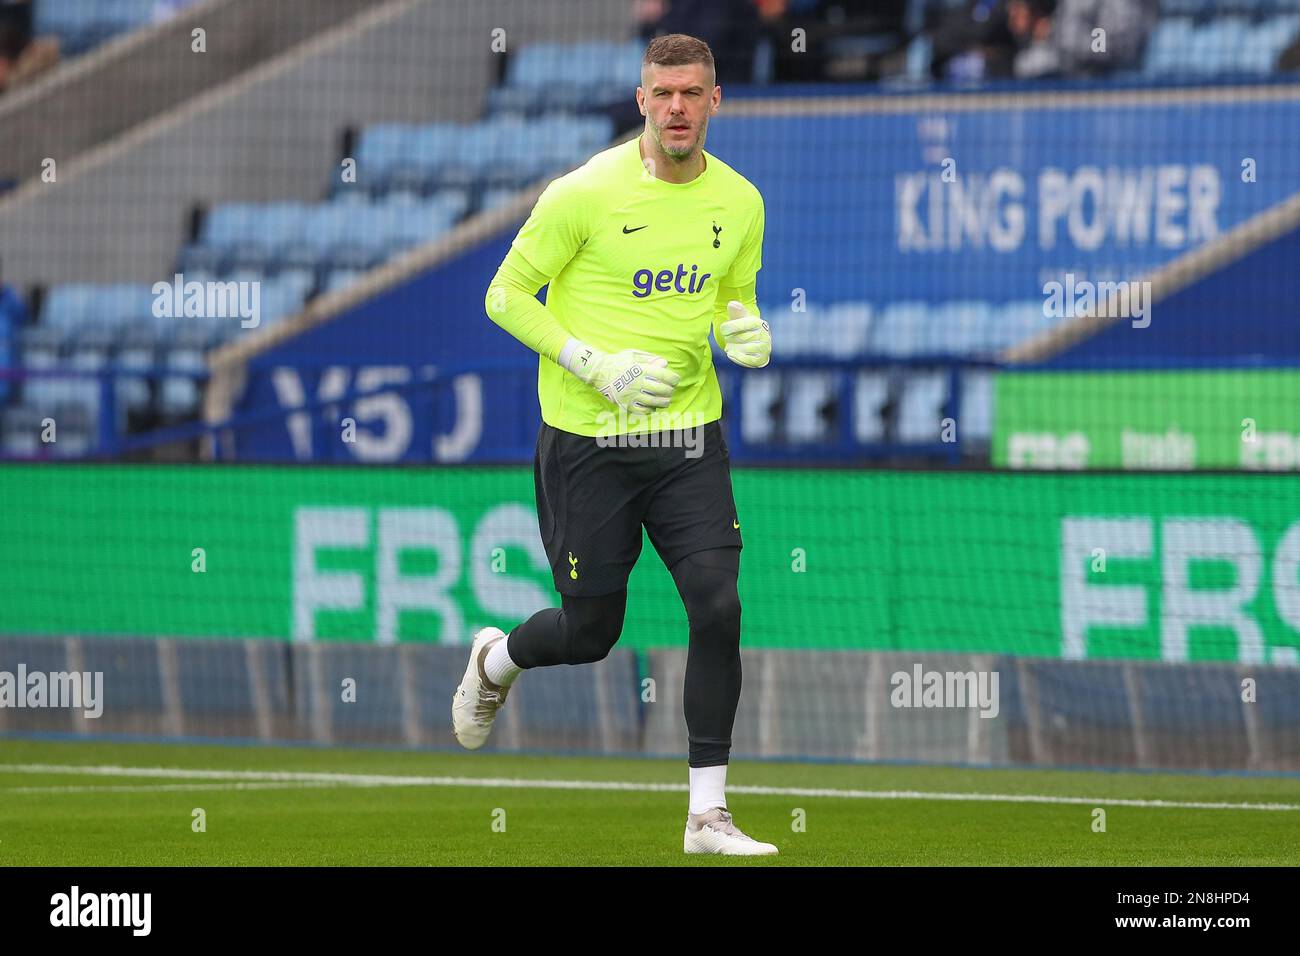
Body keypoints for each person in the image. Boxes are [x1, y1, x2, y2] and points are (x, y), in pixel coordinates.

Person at [468, 33, 776, 856]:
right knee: (590, 633)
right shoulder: (584, 193)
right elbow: (504, 296)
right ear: (642, 101)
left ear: (715, 102)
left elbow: (730, 301)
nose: (677, 107)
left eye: (692, 93)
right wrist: (591, 364)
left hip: (687, 438)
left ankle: (707, 815)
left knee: (718, 605)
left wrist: (745, 330)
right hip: (589, 443)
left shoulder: (741, 202)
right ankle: (497, 662)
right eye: (662, 93)